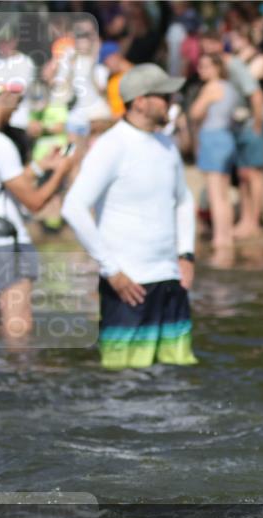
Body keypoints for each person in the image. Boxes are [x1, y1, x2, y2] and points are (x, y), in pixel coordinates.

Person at [62, 64, 198, 370]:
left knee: (177, 377)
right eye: (163, 95)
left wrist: (186, 254)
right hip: (128, 285)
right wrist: (112, 271)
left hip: (170, 280)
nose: (171, 101)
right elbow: (74, 207)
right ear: (139, 101)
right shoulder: (112, 146)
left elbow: (184, 200)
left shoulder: (167, 145)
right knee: (124, 384)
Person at [0, 79, 72, 344]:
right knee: (18, 327)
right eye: (16, 102)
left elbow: (2, 183)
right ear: (2, 99)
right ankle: (18, 379)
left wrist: (42, 167)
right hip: (8, 244)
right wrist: (62, 171)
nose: (17, 109)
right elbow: (35, 202)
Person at [200, 31, 263, 240]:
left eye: (212, 44)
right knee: (244, 175)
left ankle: (253, 222)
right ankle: (246, 220)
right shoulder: (221, 69)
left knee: (254, 175)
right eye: (205, 46)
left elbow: (256, 94)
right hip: (239, 126)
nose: (208, 49)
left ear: (221, 45)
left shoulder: (234, 65)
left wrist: (257, 125)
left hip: (251, 123)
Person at [190, 53, 239, 248]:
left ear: (216, 68)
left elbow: (194, 112)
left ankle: (220, 238)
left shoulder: (211, 87)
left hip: (212, 138)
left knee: (215, 193)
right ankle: (226, 235)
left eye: (205, 66)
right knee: (224, 193)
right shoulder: (230, 88)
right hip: (227, 137)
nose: (201, 70)